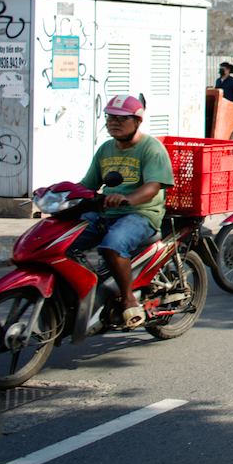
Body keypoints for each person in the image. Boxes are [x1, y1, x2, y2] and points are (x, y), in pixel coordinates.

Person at [74, 95, 175, 329]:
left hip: (141, 214)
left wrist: (127, 199)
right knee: (64, 240)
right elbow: (87, 184)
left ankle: (129, 300)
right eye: (110, 118)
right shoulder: (106, 149)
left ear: (137, 121)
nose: (114, 123)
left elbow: (152, 187)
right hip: (106, 213)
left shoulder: (151, 148)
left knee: (113, 244)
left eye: (122, 119)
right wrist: (58, 194)